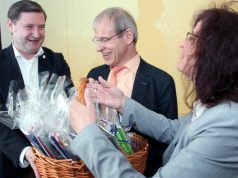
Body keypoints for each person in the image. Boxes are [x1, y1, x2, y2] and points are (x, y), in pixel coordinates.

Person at [69, 1, 238, 178]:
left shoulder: (225, 124)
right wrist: (122, 103)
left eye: (192, 38)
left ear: (218, 53)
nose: (182, 44)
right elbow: (173, 130)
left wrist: (87, 132)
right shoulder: (211, 107)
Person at [87, 7, 178, 175]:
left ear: (128, 36)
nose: (99, 48)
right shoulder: (94, 75)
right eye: (97, 40)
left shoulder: (162, 82)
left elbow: (170, 141)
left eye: (105, 39)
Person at [0, 1, 73, 177]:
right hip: (12, 164)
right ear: (11, 25)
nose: (36, 34)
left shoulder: (57, 61)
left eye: (41, 27)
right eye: (29, 27)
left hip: (57, 165)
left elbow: (69, 104)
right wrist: (24, 150)